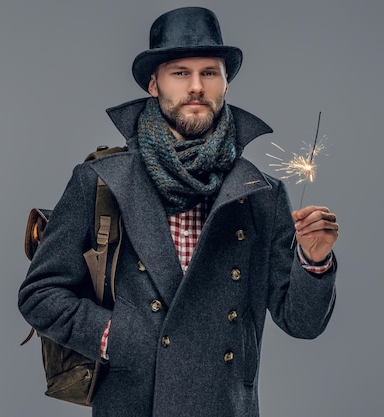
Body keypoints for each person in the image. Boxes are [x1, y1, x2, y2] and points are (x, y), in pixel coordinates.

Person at [18, 6, 338, 417]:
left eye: (209, 73)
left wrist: (314, 260)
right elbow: (39, 295)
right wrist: (118, 337)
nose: (195, 87)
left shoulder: (261, 193)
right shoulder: (101, 180)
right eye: (180, 73)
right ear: (155, 84)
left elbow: (302, 323)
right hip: (132, 403)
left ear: (225, 83)